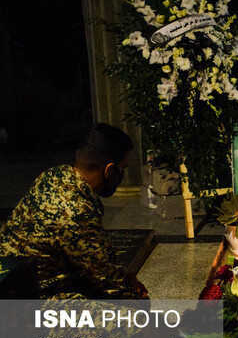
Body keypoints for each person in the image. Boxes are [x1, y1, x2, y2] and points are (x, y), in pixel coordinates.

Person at [0, 123, 148, 299]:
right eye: (122, 168)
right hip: (31, 301)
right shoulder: (78, 213)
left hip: (21, 283)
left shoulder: (54, 174)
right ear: (109, 170)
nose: (121, 175)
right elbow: (110, 284)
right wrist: (136, 293)